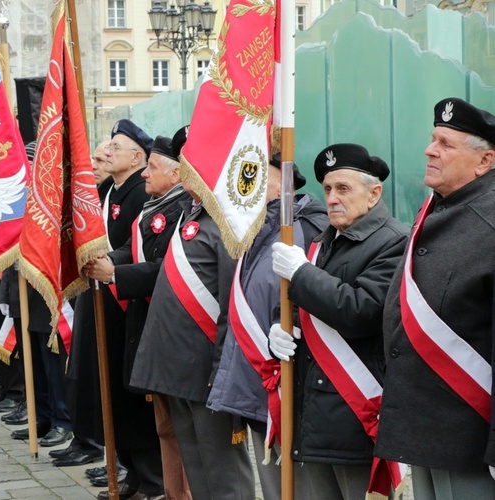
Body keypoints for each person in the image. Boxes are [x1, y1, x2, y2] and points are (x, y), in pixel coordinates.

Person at [268, 143, 408, 499]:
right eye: (328, 189)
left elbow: (362, 310)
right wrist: (281, 325)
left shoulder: (394, 241)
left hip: (357, 410)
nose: (331, 198)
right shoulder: (323, 241)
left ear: (374, 194)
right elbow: (297, 301)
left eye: (343, 189)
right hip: (314, 410)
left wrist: (301, 274)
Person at [375, 98, 495, 499]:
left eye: (445, 143)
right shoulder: (438, 210)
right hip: (423, 429)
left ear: (484, 162)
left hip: (468, 437)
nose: (430, 149)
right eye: (432, 139)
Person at [130, 149, 253, 500]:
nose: (186, 174)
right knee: (196, 464)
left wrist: (223, 369)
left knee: (222, 468)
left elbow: (233, 305)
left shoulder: (227, 226)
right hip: (176, 367)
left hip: (206, 367)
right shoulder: (189, 215)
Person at [206, 153, 328, 500]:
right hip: (259, 379)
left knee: (295, 487)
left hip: (285, 384)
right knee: (274, 483)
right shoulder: (256, 231)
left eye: (259, 177)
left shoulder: (300, 229)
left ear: (283, 185)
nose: (248, 186)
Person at [85, 127, 192, 500]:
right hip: (142, 321)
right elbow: (133, 247)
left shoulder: (181, 209)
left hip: (168, 326)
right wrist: (107, 260)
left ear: (177, 174)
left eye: (153, 166)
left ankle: (160, 482)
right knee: (158, 419)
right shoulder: (155, 205)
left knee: (171, 423)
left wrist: (115, 273)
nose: (145, 173)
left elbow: (168, 266)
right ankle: (148, 478)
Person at [62, 119, 152, 500]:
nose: (108, 152)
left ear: (137, 157)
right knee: (103, 385)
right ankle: (127, 466)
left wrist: (109, 261)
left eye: (117, 146)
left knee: (124, 387)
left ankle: (145, 472)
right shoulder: (110, 191)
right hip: (101, 294)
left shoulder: (138, 194)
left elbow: (139, 246)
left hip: (124, 301)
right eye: (109, 145)